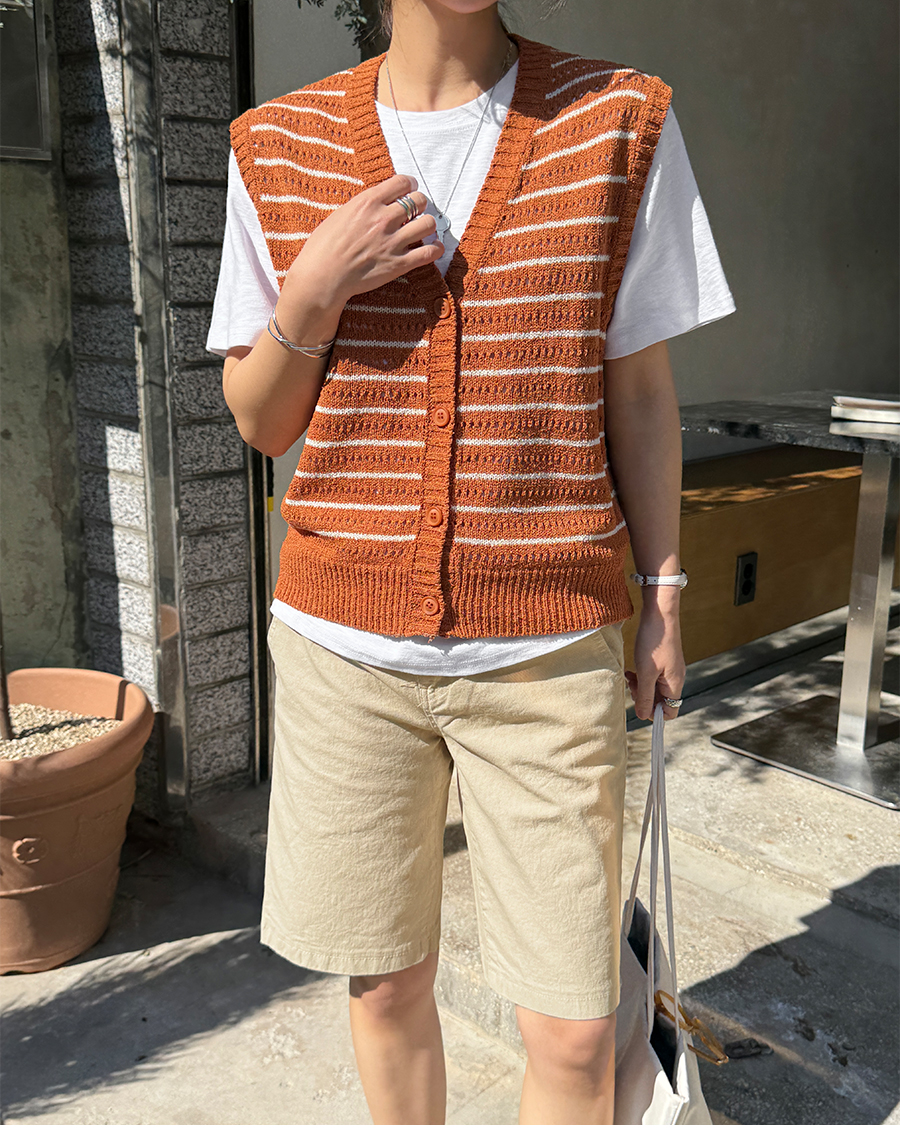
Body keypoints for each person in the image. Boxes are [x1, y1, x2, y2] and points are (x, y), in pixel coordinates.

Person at [207, 0, 734, 1122]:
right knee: (388, 984)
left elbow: (640, 393)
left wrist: (664, 597)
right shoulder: (278, 143)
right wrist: (314, 290)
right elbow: (261, 421)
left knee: (575, 1026)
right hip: (343, 657)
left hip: (548, 652)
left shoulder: (618, 121)